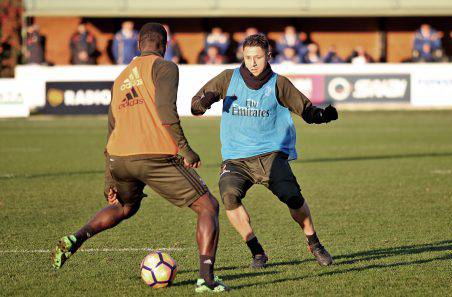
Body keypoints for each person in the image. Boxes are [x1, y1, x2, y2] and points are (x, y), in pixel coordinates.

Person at [51, 22, 229, 293]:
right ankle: (206, 278)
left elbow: (112, 127)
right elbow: (166, 109)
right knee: (208, 207)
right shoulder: (166, 67)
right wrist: (185, 149)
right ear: (164, 45)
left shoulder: (121, 77)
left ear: (138, 45)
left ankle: (76, 237)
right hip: (154, 155)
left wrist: (109, 179)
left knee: (124, 207)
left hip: (119, 157)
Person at [191, 34, 337, 269]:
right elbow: (194, 105)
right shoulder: (228, 78)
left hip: (271, 156)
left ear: (268, 56)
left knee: (293, 198)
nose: (253, 62)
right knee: (229, 195)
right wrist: (205, 101)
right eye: (248, 57)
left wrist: (322, 116)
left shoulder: (279, 83)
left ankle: (314, 243)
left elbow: (306, 110)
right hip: (236, 158)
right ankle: (257, 251)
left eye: (257, 57)